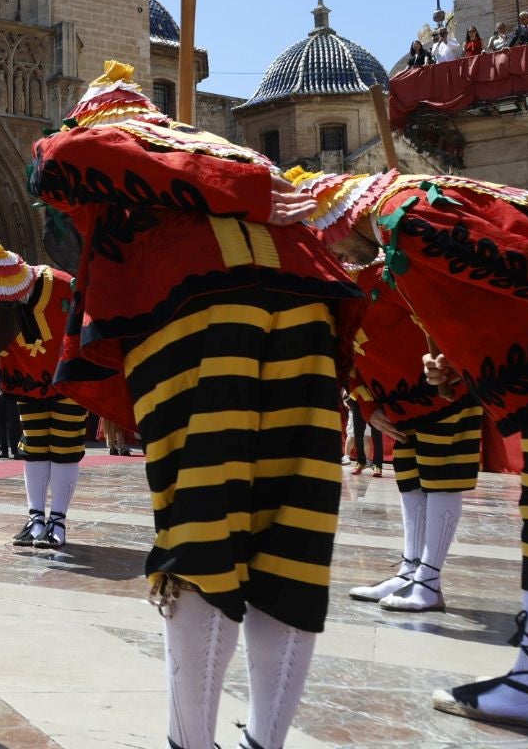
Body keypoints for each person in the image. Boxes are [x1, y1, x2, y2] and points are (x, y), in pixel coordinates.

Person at [32, 61, 361, 749]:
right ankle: (262, 741)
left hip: (196, 311)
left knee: (204, 531)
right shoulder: (230, 150)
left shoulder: (119, 136)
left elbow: (56, 162)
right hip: (305, 308)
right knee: (288, 539)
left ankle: (192, 742)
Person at [290, 167, 528, 733]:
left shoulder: (406, 219)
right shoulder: (415, 211)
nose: (337, 255)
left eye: (327, 242)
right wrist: (460, 362)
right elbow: (497, 297)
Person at [322, 240, 479, 615]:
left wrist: (451, 368)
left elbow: (448, 321)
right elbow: (344, 348)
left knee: (440, 483)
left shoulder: (394, 270)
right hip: (396, 406)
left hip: (444, 397)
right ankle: (411, 570)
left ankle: (429, 580)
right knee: (410, 483)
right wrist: (367, 403)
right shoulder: (335, 279)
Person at [0, 245, 103, 550]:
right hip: (25, 382)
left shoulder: (63, 285)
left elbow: (92, 327)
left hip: (69, 380)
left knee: (65, 448)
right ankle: (36, 519)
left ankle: (58, 520)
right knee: (34, 447)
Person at [348, 390, 385, 477]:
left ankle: (378, 465)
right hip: (357, 397)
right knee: (358, 434)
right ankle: (360, 462)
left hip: (374, 397)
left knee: (377, 435)